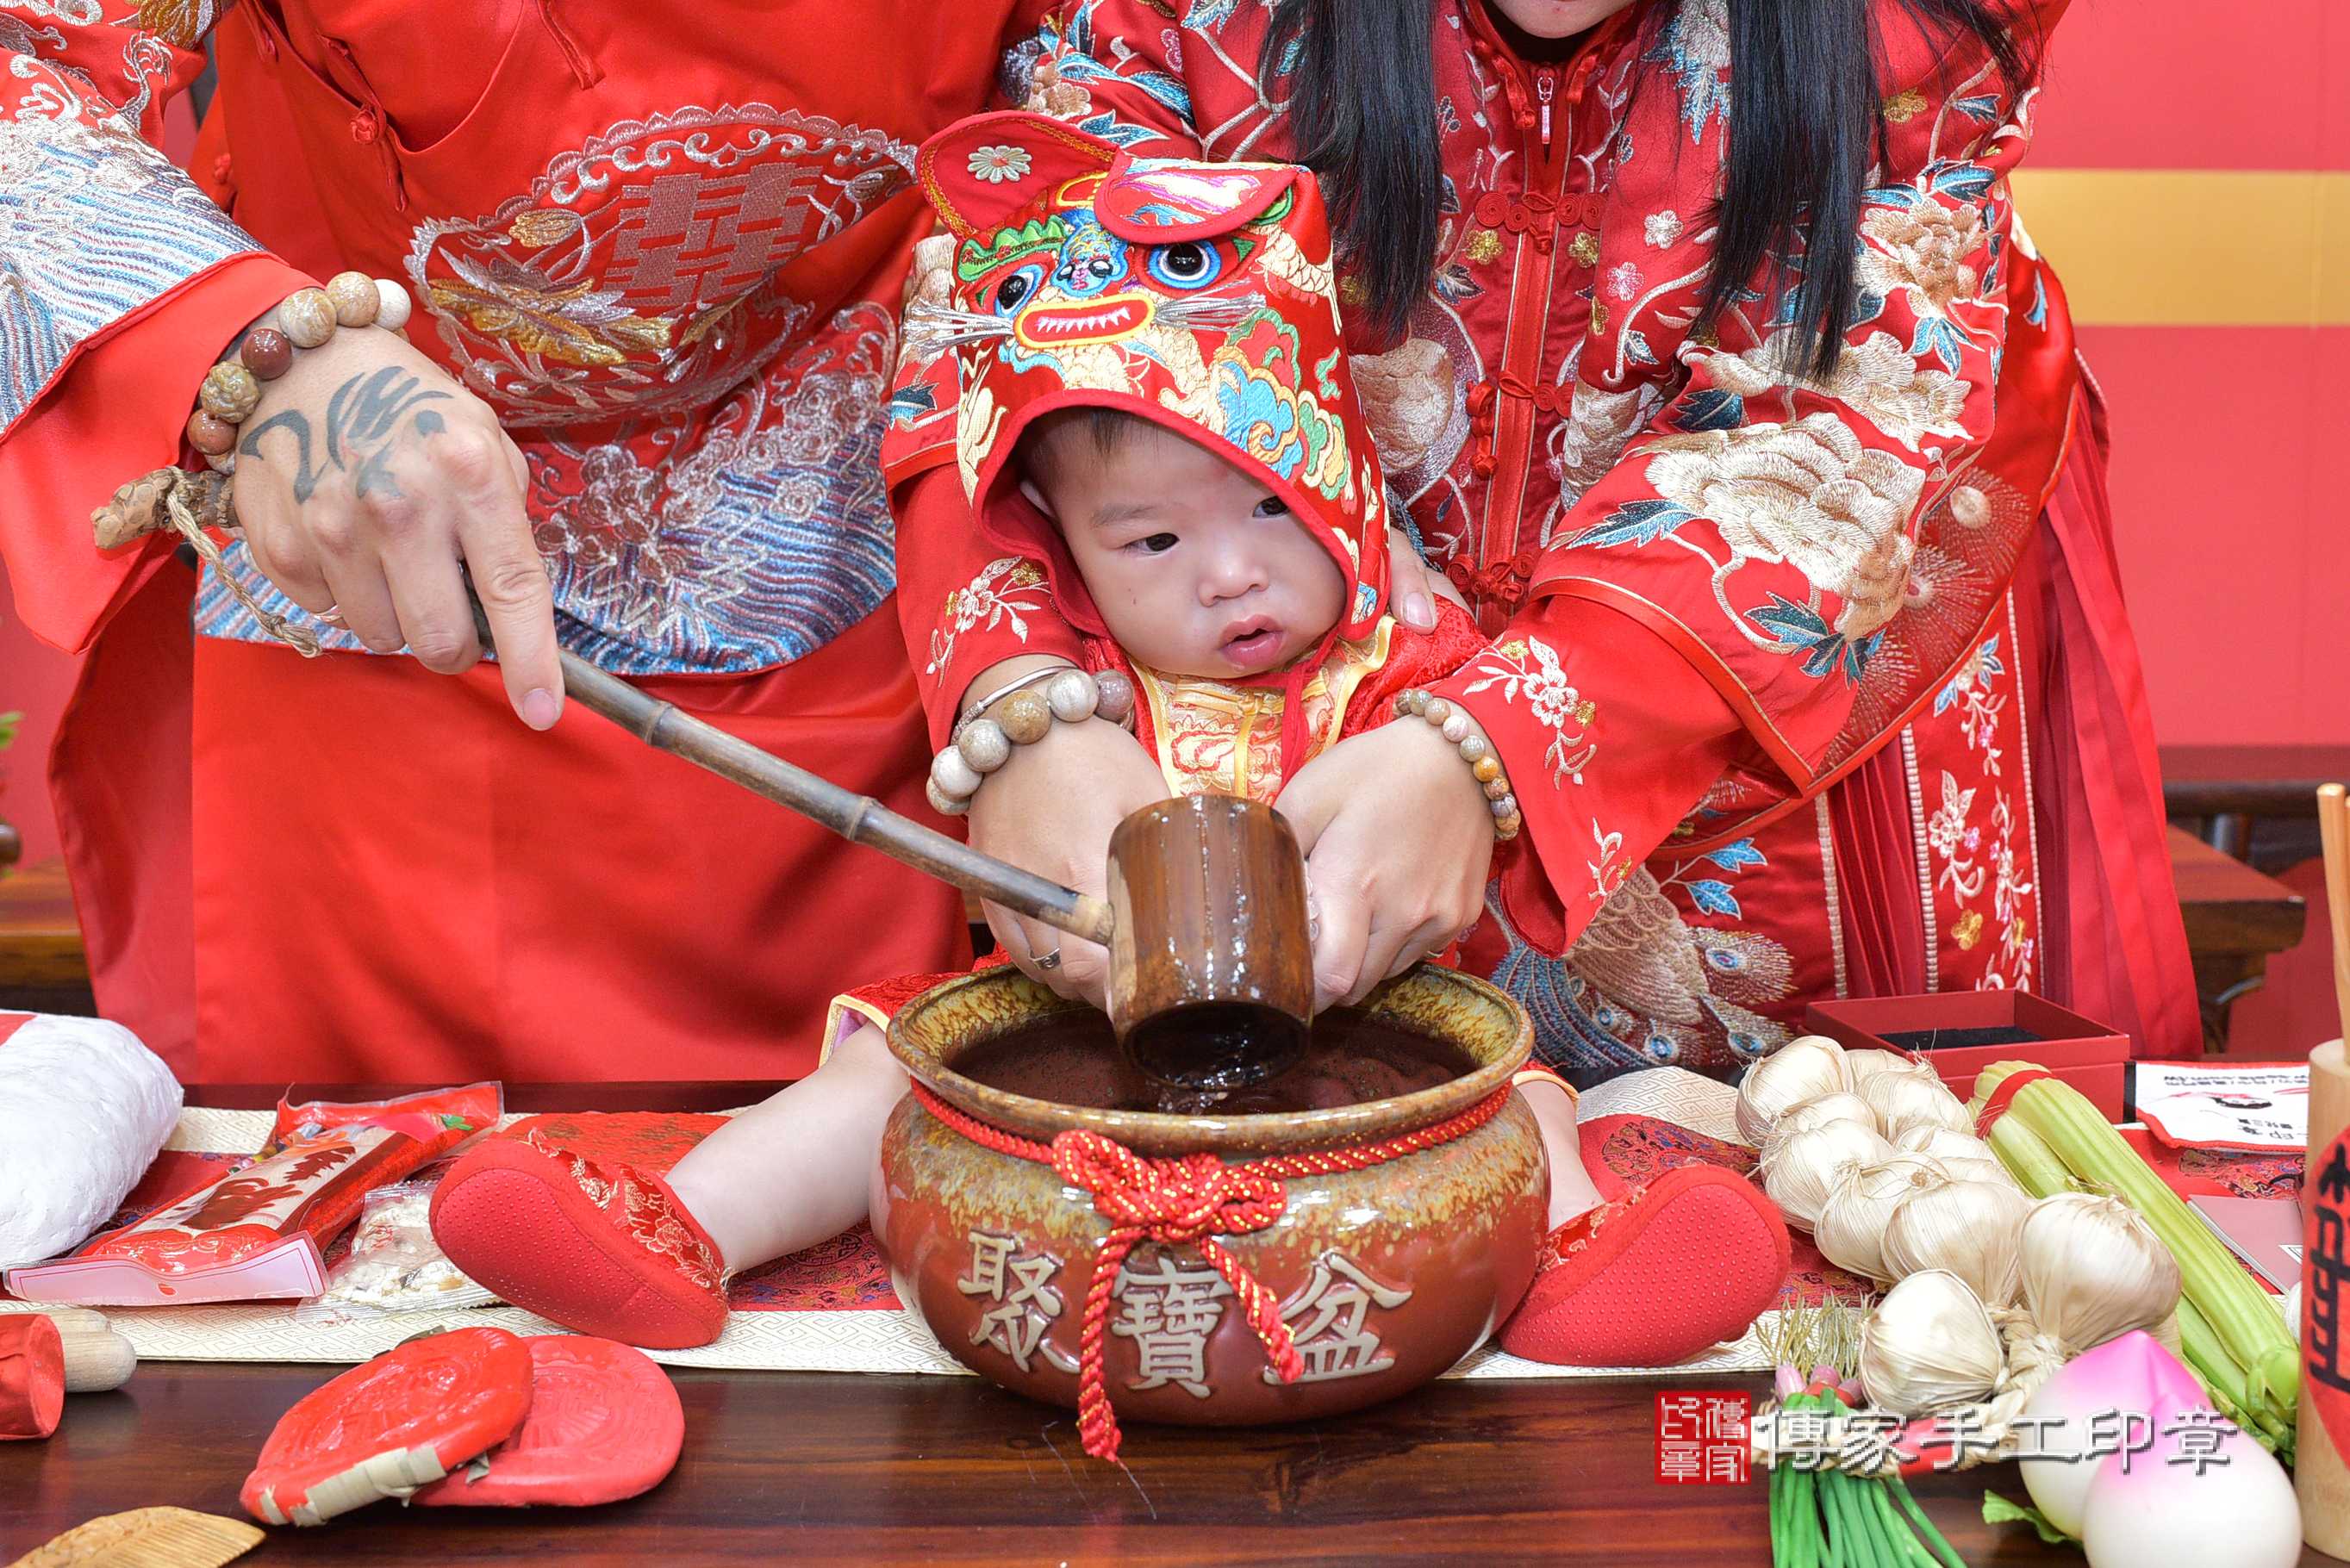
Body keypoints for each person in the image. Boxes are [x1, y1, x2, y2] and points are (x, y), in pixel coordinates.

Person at [427, 123, 1791, 1370]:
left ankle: (1571, 1267)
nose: (1230, 578)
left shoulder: (1416, 664)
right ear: (1063, 554)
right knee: (882, 1089)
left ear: (1345, 478)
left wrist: (1466, 769)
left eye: (1270, 503)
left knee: (1516, 1112)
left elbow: (1504, 768)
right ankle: (676, 1229)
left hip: (1371, 1035)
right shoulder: (1072, 678)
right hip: (1073, 1028)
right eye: (1151, 540)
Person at [889, 0, 2200, 1084]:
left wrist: (1498, 745)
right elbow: (1013, 304)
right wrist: (1020, 708)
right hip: (1268, 689)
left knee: (1840, 1231)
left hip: (1766, 713)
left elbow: (1860, 393)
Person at [0, 2, 1054, 1081]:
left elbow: (1131, 99)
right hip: (358, 548)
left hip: (900, 551)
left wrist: (1025, 670)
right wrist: (248, 348)